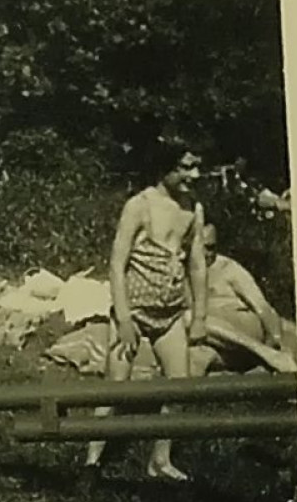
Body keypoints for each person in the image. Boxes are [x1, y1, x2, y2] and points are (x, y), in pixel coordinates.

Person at [84, 151, 208, 481]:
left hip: (169, 312)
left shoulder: (192, 209)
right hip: (134, 310)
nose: (193, 175)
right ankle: (92, 462)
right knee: (114, 389)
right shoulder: (140, 205)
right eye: (184, 167)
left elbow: (196, 265)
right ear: (163, 168)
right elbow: (116, 264)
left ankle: (160, 460)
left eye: (197, 167)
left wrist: (199, 316)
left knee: (179, 388)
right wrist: (124, 318)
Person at [189, 223, 297, 376]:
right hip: (215, 342)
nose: (207, 254)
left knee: (188, 318)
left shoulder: (227, 268)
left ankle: (266, 353)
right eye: (202, 247)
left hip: (243, 328)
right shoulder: (182, 272)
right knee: (196, 357)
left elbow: (262, 307)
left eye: (211, 247)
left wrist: (277, 340)